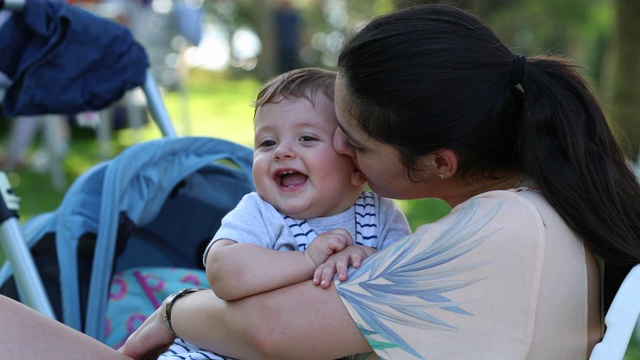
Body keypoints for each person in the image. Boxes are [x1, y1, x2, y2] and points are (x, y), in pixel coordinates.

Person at [3, 4, 640, 359]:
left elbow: (269, 331)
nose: (347, 160)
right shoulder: (534, 210)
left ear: (439, 163)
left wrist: (173, 312)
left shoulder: (500, 230)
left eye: (355, 146)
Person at [158, 67, 411, 359]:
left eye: (306, 138)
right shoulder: (261, 212)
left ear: (356, 164)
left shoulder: (381, 216)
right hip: (226, 352)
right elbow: (222, 272)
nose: (282, 151)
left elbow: (407, 281)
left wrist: (369, 258)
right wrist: (307, 259)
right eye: (267, 142)